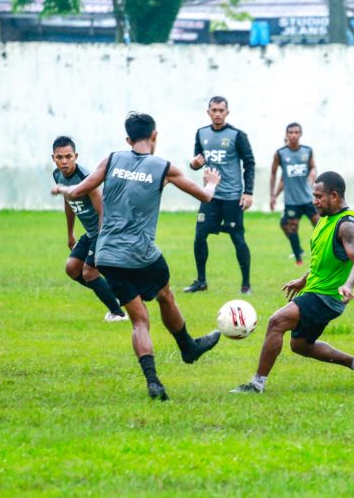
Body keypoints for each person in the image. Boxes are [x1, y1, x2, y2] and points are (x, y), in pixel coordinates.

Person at [51, 112, 223, 401]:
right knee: (166, 294)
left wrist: (61, 188)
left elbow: (78, 190)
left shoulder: (112, 159)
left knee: (139, 321)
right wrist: (212, 182)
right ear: (154, 136)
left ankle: (153, 381)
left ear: (128, 139)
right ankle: (188, 347)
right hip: (142, 254)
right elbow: (205, 197)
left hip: (107, 254)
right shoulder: (164, 167)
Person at [232, 171, 354, 393]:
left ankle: (257, 384)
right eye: (314, 195)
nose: (314, 201)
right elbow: (323, 257)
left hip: (327, 296)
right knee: (301, 346)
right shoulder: (325, 220)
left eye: (319, 196)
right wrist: (303, 279)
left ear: (334, 195)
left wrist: (349, 285)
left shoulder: (346, 225)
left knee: (277, 321)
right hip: (315, 290)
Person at [51, 136, 128, 322]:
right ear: (53, 157)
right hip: (91, 233)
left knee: (89, 272)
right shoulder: (57, 175)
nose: (64, 161)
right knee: (72, 268)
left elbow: (103, 212)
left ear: (75, 156)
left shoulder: (87, 179)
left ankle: (118, 313)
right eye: (59, 157)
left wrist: (102, 243)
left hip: (104, 230)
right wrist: (70, 233)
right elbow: (69, 201)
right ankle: (114, 295)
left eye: (68, 156)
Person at [185, 96, 255, 295]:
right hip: (209, 196)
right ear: (208, 112)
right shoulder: (201, 133)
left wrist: (248, 192)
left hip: (232, 197)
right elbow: (197, 160)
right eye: (214, 110)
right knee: (199, 235)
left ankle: (246, 284)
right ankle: (201, 281)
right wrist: (194, 165)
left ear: (227, 113)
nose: (217, 114)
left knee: (238, 239)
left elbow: (249, 163)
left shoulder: (237, 135)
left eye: (221, 110)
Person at [269, 122, 319, 265]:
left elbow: (313, 168)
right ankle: (298, 257)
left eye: (296, 132)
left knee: (320, 224)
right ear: (286, 135)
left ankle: (324, 250)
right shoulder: (280, 153)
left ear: (300, 134)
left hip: (308, 198)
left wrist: (313, 172)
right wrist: (272, 195)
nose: (293, 135)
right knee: (291, 227)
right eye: (290, 133)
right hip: (291, 201)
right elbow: (274, 174)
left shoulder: (307, 151)